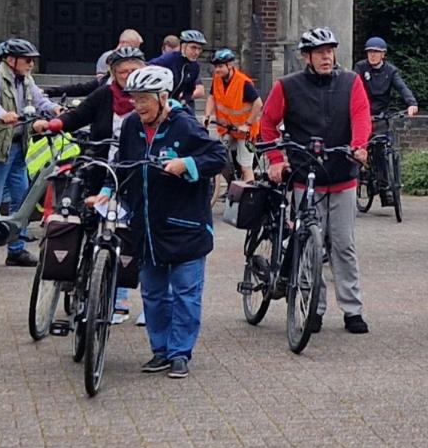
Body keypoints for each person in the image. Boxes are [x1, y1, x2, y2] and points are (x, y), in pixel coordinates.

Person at [112, 64, 228, 379]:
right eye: (134, 98)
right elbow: (122, 166)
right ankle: (160, 350)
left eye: (144, 99)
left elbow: (218, 157)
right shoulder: (131, 126)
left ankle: (180, 353)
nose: (138, 105)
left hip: (185, 226)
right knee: (152, 293)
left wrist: (186, 163)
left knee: (186, 293)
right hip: (146, 227)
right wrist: (107, 190)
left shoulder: (185, 125)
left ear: (163, 98)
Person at [258, 27, 373, 334]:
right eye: (320, 52)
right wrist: (276, 160)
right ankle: (314, 307)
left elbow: (361, 115)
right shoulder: (288, 86)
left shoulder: (350, 82)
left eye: (330, 51)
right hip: (304, 177)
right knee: (308, 243)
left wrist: (359, 146)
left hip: (342, 175)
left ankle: (352, 310)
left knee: (344, 246)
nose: (327, 57)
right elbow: (267, 124)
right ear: (306, 56)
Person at [51, 45, 147, 322]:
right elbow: (76, 117)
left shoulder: (151, 97)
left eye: (134, 71)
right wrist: (54, 124)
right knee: (90, 225)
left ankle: (124, 298)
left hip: (134, 172)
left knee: (131, 234)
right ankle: (84, 281)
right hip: (101, 168)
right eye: (122, 71)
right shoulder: (104, 95)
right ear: (113, 74)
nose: (128, 76)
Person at [0, 38, 60, 269]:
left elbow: (40, 100)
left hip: (20, 147)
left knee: (22, 200)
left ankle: (16, 250)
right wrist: (2, 114)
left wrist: (56, 109)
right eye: (27, 60)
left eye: (33, 60)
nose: (31, 64)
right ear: (11, 60)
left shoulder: (27, 80)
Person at [207, 48, 260, 182]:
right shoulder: (217, 79)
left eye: (220, 66)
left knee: (245, 167)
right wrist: (207, 115)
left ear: (230, 65)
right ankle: (232, 184)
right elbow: (212, 97)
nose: (217, 70)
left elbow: (258, 104)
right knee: (219, 156)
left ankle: (249, 195)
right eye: (215, 67)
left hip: (245, 132)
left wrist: (247, 124)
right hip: (227, 128)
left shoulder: (243, 82)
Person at [354, 37, 420, 121]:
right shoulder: (360, 67)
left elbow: (402, 88)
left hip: (382, 114)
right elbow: (353, 87)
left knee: (385, 132)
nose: (372, 55)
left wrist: (412, 103)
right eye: (370, 51)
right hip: (362, 112)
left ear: (383, 54)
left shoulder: (390, 70)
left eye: (376, 52)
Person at [147, 29, 206, 103]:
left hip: (175, 103)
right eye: (193, 47)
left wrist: (183, 102)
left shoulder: (195, 67)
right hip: (157, 102)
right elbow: (147, 68)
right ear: (183, 46)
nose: (197, 52)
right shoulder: (169, 59)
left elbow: (189, 91)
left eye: (199, 49)